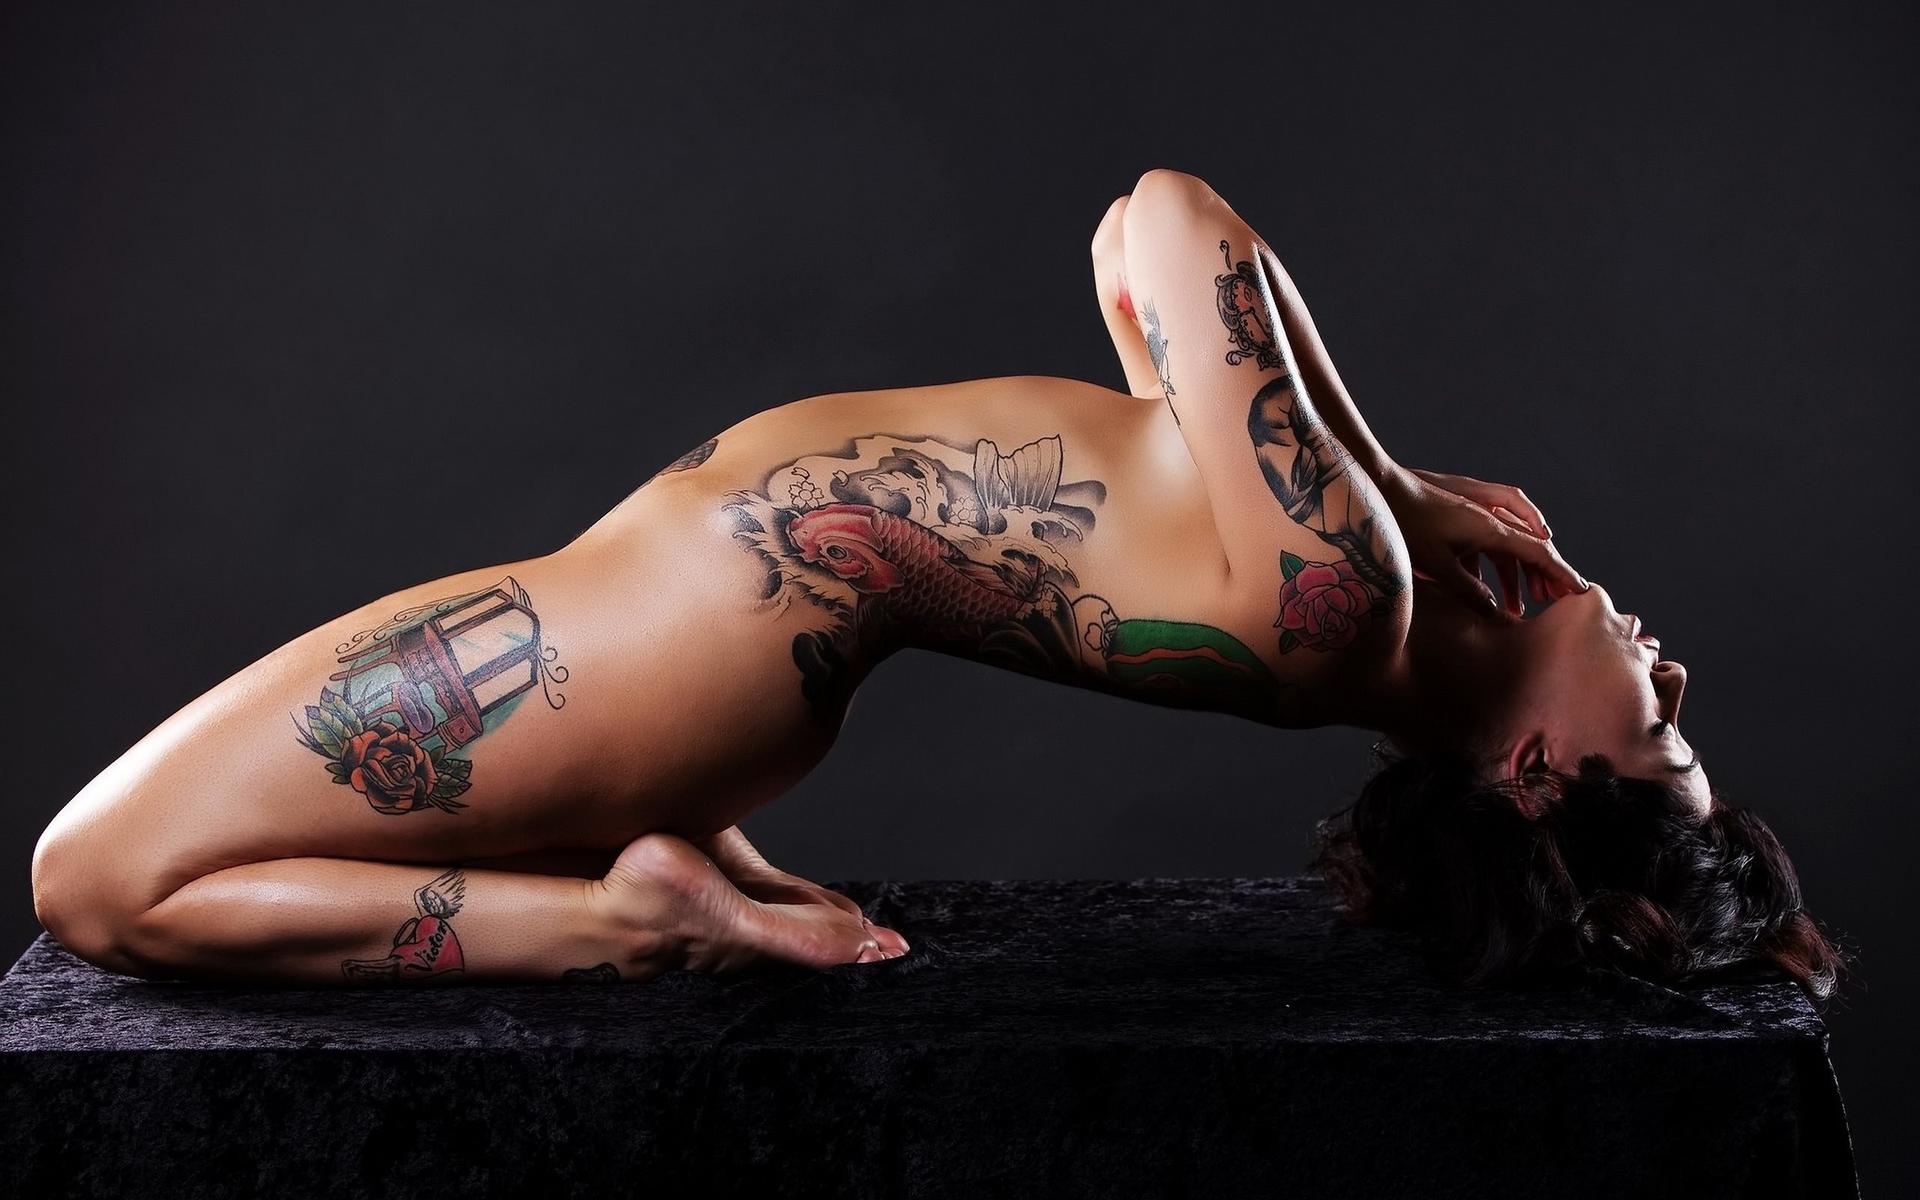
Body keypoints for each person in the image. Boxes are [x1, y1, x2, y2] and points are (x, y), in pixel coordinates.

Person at [30, 170, 1844, 1000]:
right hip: (683, 630)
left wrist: (1402, 484)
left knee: (102, 881)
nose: (1675, 677)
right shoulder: (1339, 575)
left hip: (683, 640)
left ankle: (635, 921)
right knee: (128, 875)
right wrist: (1394, 493)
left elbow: (1175, 211)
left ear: (1530, 779)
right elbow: (1127, 276)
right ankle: (650, 874)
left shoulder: (1339, 588)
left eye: (1666, 737)